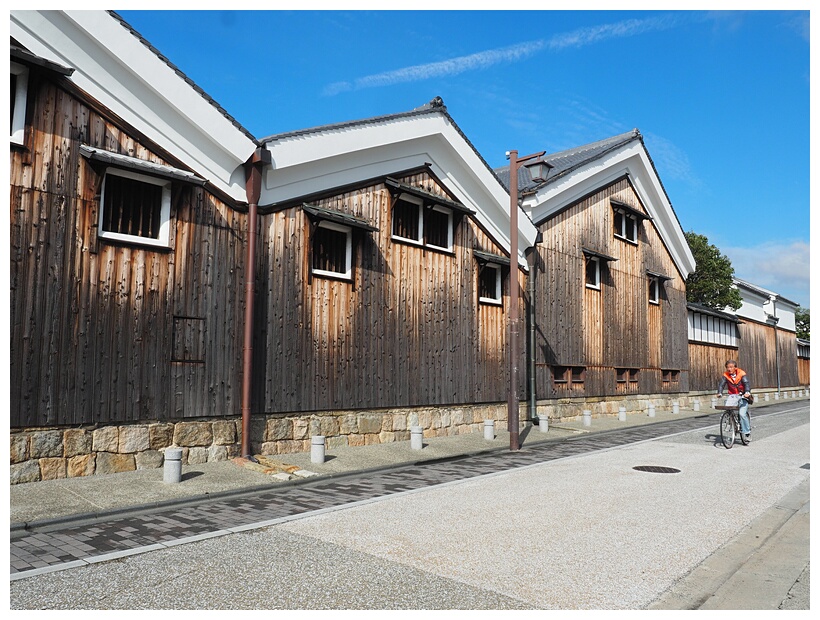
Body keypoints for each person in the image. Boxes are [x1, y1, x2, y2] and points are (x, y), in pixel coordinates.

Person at [717, 359, 753, 441]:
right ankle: (729, 423)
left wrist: (747, 392)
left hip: (743, 395)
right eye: (727, 367)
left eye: (731, 367)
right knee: (727, 409)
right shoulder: (726, 375)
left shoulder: (741, 374)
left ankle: (747, 432)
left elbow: (746, 383)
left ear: (735, 368)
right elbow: (721, 385)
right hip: (733, 395)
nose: (729, 369)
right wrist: (719, 393)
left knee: (742, 414)